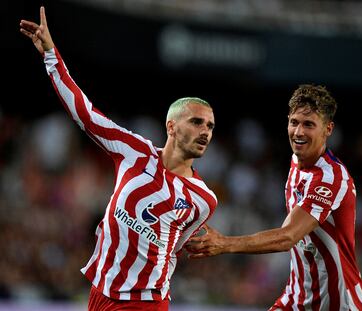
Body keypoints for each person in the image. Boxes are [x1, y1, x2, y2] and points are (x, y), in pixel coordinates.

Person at [20, 6, 218, 311]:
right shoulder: (133, 150)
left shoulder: (204, 200)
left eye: (210, 126)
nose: (205, 131)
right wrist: (51, 56)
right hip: (100, 292)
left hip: (144, 303)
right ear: (171, 126)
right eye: (197, 122)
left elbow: (175, 248)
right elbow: (85, 113)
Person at [187, 84, 362, 310]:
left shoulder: (330, 178)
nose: (299, 132)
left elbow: (287, 237)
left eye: (309, 125)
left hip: (338, 303)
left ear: (328, 129)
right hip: (298, 299)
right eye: (294, 122)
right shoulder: (297, 163)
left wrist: (225, 243)